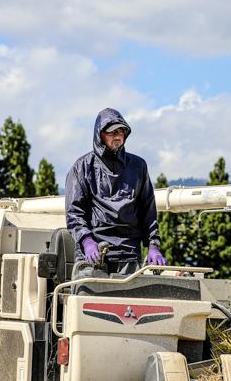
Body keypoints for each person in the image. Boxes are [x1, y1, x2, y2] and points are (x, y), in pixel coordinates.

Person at [65, 108, 167, 277]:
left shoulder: (138, 166)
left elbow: (148, 211)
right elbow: (74, 213)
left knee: (130, 303)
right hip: (93, 257)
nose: (118, 136)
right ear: (100, 135)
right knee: (89, 302)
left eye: (121, 131)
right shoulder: (82, 167)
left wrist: (153, 246)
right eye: (112, 132)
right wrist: (87, 241)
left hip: (129, 256)